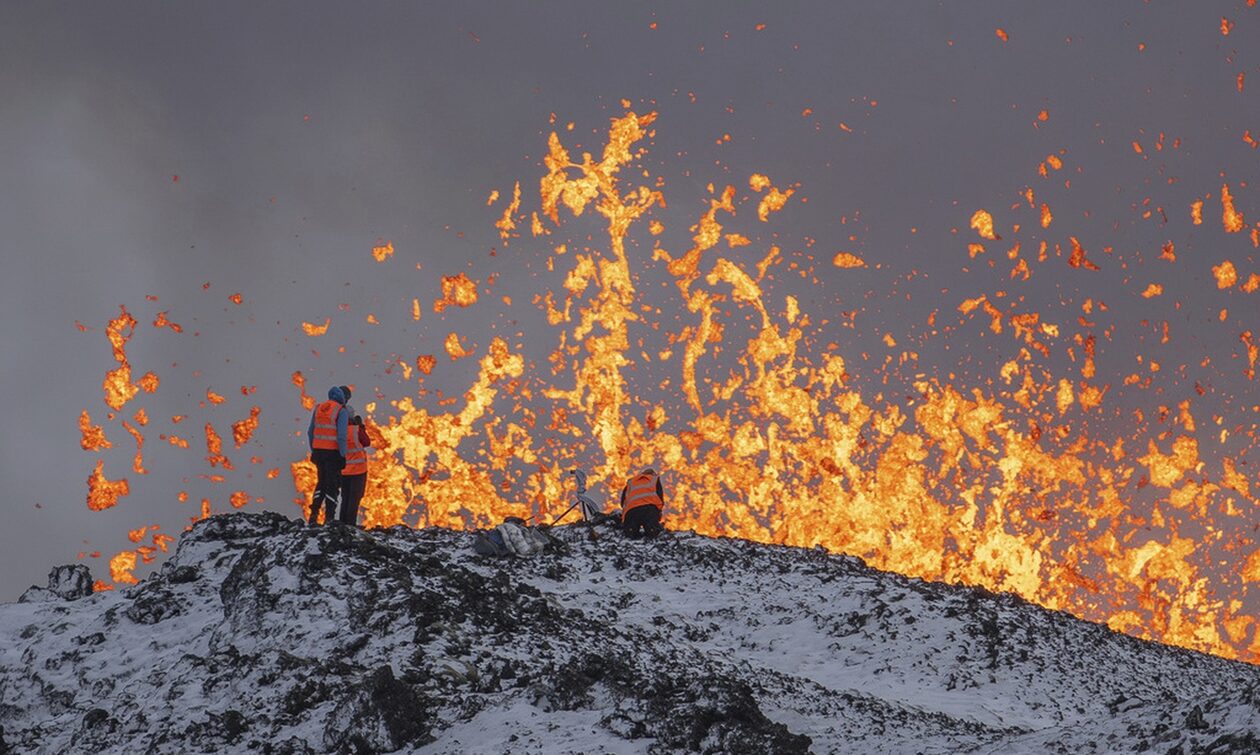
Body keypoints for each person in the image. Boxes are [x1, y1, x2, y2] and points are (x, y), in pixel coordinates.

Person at [306, 385, 352, 525]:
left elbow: (310, 432)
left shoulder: (319, 408)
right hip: (332, 453)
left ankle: (314, 513)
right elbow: (342, 436)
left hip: (318, 452)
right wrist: (343, 455)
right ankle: (329, 517)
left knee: (321, 482)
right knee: (333, 485)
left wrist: (314, 449)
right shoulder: (340, 411)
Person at [339, 415, 371, 526]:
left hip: (344, 470)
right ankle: (351, 524)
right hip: (358, 470)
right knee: (354, 498)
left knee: (345, 497)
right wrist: (361, 427)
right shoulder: (356, 430)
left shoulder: (338, 430)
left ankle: (342, 523)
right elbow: (366, 442)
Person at [620, 467, 664, 538]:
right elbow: (660, 496)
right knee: (653, 533)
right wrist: (659, 512)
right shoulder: (654, 479)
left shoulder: (632, 482)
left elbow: (623, 501)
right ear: (653, 474)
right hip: (649, 510)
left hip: (631, 511)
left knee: (631, 535)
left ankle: (632, 532)